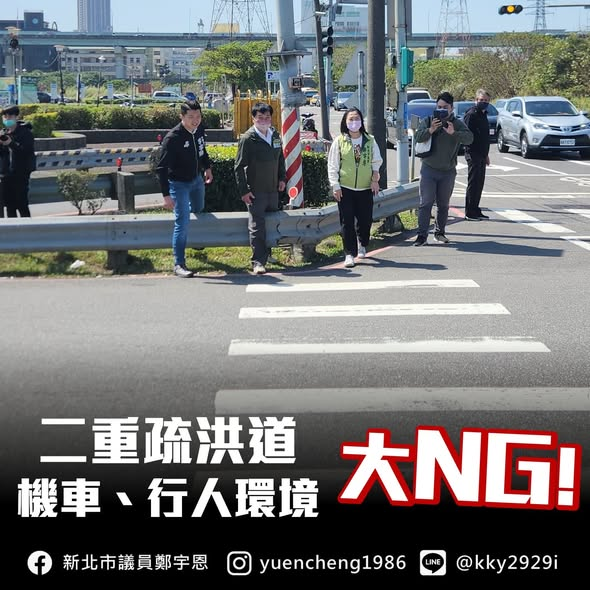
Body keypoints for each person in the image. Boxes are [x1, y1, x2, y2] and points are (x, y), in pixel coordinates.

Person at [156, 101, 213, 278]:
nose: (195, 120)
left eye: (198, 116)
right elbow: (161, 168)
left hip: (197, 179)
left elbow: (202, 151)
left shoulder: (199, 129)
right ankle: (179, 263)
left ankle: (194, 240)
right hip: (178, 184)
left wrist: (207, 168)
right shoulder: (173, 138)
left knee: (198, 208)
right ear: (182, 117)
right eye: (191, 117)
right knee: (182, 221)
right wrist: (166, 195)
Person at [413, 91, 473, 246]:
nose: (441, 110)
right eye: (439, 107)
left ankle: (440, 233)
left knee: (443, 204)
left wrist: (454, 133)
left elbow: (469, 138)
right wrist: (430, 130)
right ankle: (421, 236)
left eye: (445, 107)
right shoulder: (428, 120)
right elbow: (417, 137)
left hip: (448, 171)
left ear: (451, 108)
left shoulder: (456, 123)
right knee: (426, 203)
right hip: (429, 169)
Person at [234, 102, 286, 275]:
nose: (264, 120)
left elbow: (280, 158)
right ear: (253, 119)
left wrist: (282, 178)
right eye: (260, 117)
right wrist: (244, 191)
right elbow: (239, 167)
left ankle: (268, 254)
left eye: (267, 117)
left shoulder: (275, 135)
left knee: (270, 224)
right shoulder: (248, 139)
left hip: (273, 189)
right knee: (257, 227)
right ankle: (258, 261)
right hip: (255, 191)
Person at [327, 107, 383, 268]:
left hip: (365, 188)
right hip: (345, 188)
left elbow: (376, 161)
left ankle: (362, 243)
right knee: (347, 222)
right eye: (350, 119)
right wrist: (335, 185)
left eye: (356, 118)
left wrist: (375, 179)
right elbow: (333, 165)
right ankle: (349, 253)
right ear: (345, 122)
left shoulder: (369, 140)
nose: (354, 122)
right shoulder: (340, 141)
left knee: (365, 220)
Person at [0, 104, 36, 218]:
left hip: (21, 174)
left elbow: (25, 151)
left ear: (16, 117)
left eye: (10, 116)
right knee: (10, 206)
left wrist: (11, 144)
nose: (7, 119)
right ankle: (13, 228)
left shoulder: (25, 133)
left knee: (22, 204)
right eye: (5, 116)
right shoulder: (4, 133)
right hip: (6, 175)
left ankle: (27, 227)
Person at [463, 89, 492, 220]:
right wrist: (472, 151)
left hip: (481, 154)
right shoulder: (471, 114)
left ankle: (476, 209)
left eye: (486, 100)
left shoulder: (483, 114)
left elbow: (484, 137)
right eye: (481, 100)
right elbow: (467, 135)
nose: (483, 102)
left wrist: (486, 155)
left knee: (479, 183)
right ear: (476, 100)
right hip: (473, 153)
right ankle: (469, 212)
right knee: (473, 183)